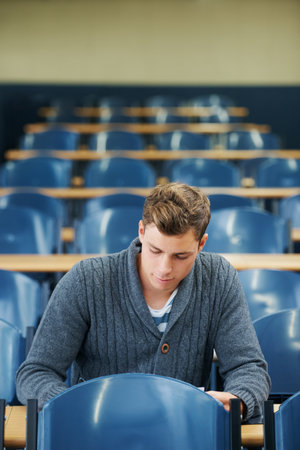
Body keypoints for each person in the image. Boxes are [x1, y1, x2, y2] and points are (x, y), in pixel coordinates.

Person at [16, 182, 270, 421]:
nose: (164, 268)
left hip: (182, 432)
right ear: (141, 231)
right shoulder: (86, 280)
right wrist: (75, 407)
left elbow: (248, 368)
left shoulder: (218, 277)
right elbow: (36, 373)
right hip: (97, 433)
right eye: (155, 250)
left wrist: (239, 401)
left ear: (201, 244)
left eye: (181, 256)